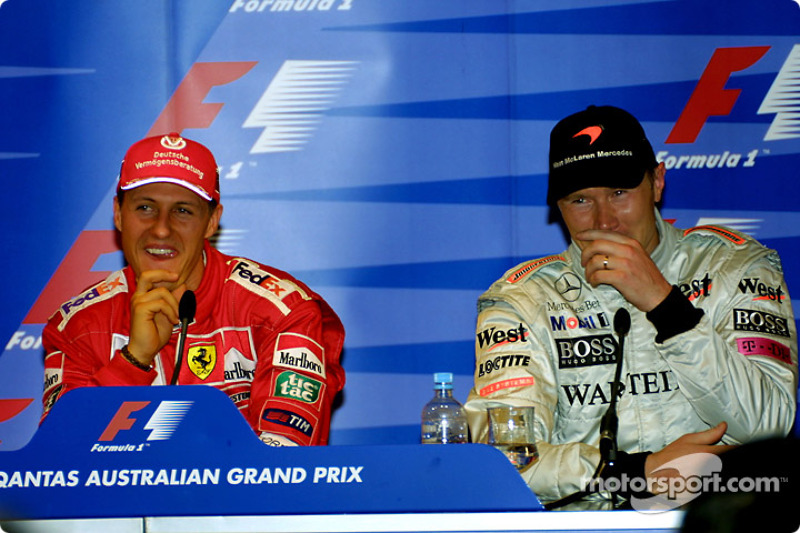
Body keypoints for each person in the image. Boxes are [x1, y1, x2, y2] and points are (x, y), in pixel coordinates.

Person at [464, 105, 798, 504]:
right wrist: (635, 474)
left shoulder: (734, 266)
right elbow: (501, 460)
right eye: (580, 200)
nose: (605, 221)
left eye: (619, 193)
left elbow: (769, 428)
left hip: (711, 522)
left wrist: (665, 303)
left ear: (657, 182)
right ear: (558, 207)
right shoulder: (522, 299)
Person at [42, 132, 345, 447]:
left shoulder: (283, 311)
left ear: (212, 221)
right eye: (145, 207)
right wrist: (134, 359)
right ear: (118, 214)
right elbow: (59, 465)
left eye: (183, 210)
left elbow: (282, 465)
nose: (161, 228)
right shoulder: (77, 326)